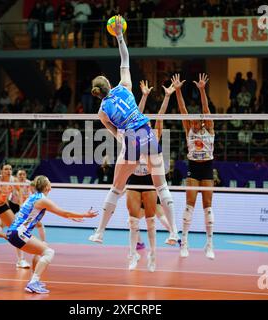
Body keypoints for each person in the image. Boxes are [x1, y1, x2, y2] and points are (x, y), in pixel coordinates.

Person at [88, 15, 179, 246]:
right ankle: (174, 233)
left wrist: (119, 136)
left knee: (116, 187)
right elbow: (125, 57)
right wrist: (119, 35)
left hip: (129, 137)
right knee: (161, 185)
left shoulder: (101, 110)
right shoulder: (125, 87)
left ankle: (99, 232)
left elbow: (110, 127)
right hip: (145, 132)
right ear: (109, 82)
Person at [7, 175, 98, 294]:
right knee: (49, 252)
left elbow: (56, 214)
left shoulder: (34, 197)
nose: (50, 183)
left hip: (14, 232)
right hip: (18, 232)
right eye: (49, 181)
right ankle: (33, 282)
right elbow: (64, 212)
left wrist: (72, 218)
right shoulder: (43, 200)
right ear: (46, 186)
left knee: (40, 250)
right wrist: (84, 215)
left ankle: (34, 280)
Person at [125, 79, 175, 271]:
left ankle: (153, 254)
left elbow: (160, 117)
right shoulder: (131, 134)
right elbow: (135, 114)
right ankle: (133, 254)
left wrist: (167, 97)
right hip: (134, 178)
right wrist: (144, 96)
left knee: (151, 220)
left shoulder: (153, 135)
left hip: (148, 179)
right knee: (132, 220)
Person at [172, 73, 216, 260]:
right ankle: (185, 242)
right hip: (193, 167)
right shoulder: (188, 128)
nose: (195, 123)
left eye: (198, 120)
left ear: (203, 121)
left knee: (208, 207)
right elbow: (182, 109)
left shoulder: (210, 128)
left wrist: (202, 89)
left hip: (207, 167)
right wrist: (178, 90)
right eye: (194, 121)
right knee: (189, 206)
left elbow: (206, 108)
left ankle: (209, 244)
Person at [9, 169, 47, 241]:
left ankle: (43, 242)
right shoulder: (13, 184)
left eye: (24, 174)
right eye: (20, 174)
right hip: (13, 204)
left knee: (39, 224)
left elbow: (34, 195)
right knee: (3, 224)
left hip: (25, 207)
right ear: (17, 176)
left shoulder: (29, 183)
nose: (22, 176)